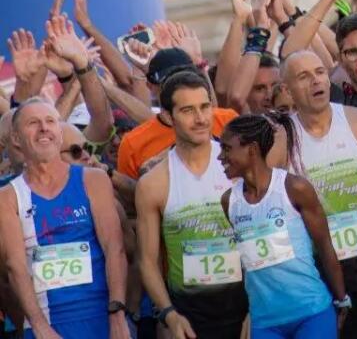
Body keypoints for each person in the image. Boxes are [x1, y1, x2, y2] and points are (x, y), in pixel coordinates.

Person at [0, 99, 130, 339]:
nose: (43, 128)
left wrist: (118, 314)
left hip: (102, 314)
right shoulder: (8, 197)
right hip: (47, 323)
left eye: (50, 121)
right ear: (16, 139)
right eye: (33, 123)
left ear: (60, 133)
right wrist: (40, 327)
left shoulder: (93, 180)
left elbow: (115, 248)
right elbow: (15, 267)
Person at [134, 71, 248, 339]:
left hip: (243, 308)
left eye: (205, 107)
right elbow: (147, 262)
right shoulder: (153, 183)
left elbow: (261, 238)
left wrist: (257, 308)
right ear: (167, 116)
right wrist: (169, 314)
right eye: (188, 110)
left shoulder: (241, 166)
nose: (200, 119)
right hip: (188, 317)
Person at [220, 114, 349, 338]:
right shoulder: (229, 201)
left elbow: (324, 245)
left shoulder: (294, 188)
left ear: (251, 149)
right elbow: (249, 263)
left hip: (311, 313)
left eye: (227, 149)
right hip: (265, 322)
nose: (220, 156)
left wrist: (341, 298)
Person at [283, 49, 357, 338]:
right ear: (287, 90)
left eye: (320, 72)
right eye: (304, 76)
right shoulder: (281, 139)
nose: (316, 81)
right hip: (321, 269)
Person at [117, 50, 239, 179]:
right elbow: (131, 196)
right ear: (150, 86)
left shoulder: (227, 120)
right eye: (169, 80)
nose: (178, 85)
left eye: (186, 77)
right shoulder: (133, 143)